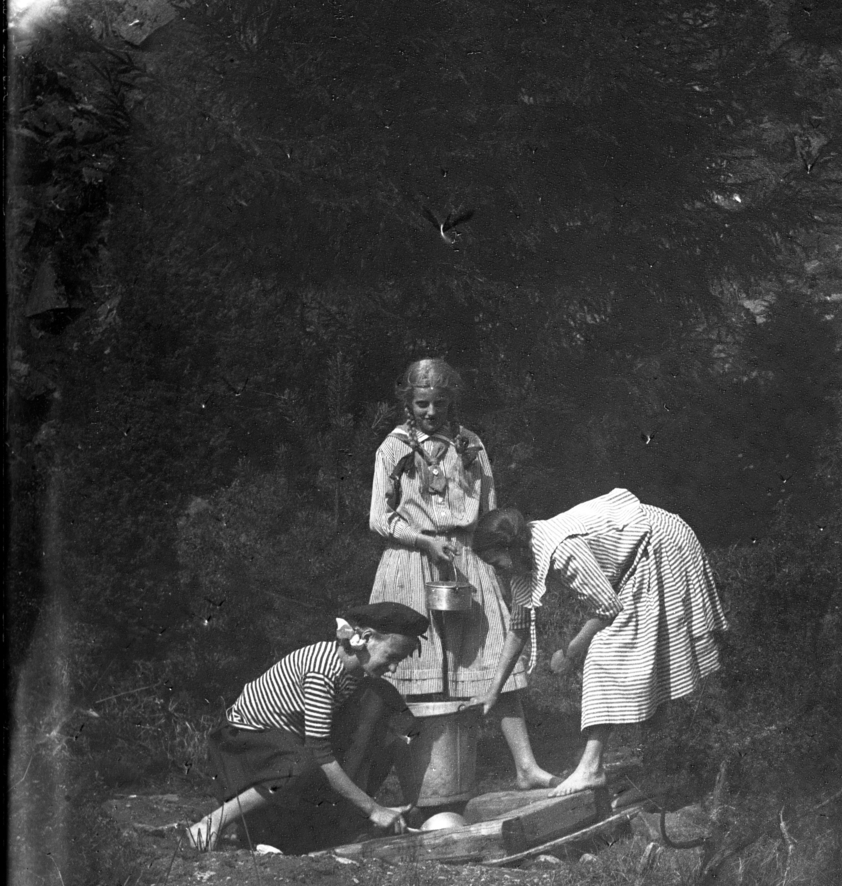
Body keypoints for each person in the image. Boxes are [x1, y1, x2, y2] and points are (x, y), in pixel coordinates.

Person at [368, 357, 558, 789]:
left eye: (439, 403)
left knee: (494, 658)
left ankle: (526, 767)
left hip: (467, 558)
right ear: (408, 403)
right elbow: (379, 517)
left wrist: (494, 563)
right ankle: (408, 781)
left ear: (451, 401)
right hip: (410, 562)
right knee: (404, 669)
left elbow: (490, 510)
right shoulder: (392, 448)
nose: (431, 412)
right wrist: (423, 541)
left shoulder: (470, 444)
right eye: (422, 404)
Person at [472, 487, 728, 797]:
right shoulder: (521, 561)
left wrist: (571, 652)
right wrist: (493, 691)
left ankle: (591, 768)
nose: (496, 571)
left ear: (510, 547)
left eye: (496, 562)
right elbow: (518, 629)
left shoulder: (562, 549)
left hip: (660, 542)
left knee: (603, 655)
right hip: (635, 556)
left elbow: (607, 609)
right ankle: (656, 774)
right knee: (645, 663)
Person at [186, 602, 428, 853]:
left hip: (287, 747)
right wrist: (374, 809)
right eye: (391, 657)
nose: (393, 668)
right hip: (246, 749)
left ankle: (345, 818)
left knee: (381, 697)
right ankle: (216, 820)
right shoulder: (321, 673)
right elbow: (319, 754)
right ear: (366, 638)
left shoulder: (353, 670)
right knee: (306, 763)